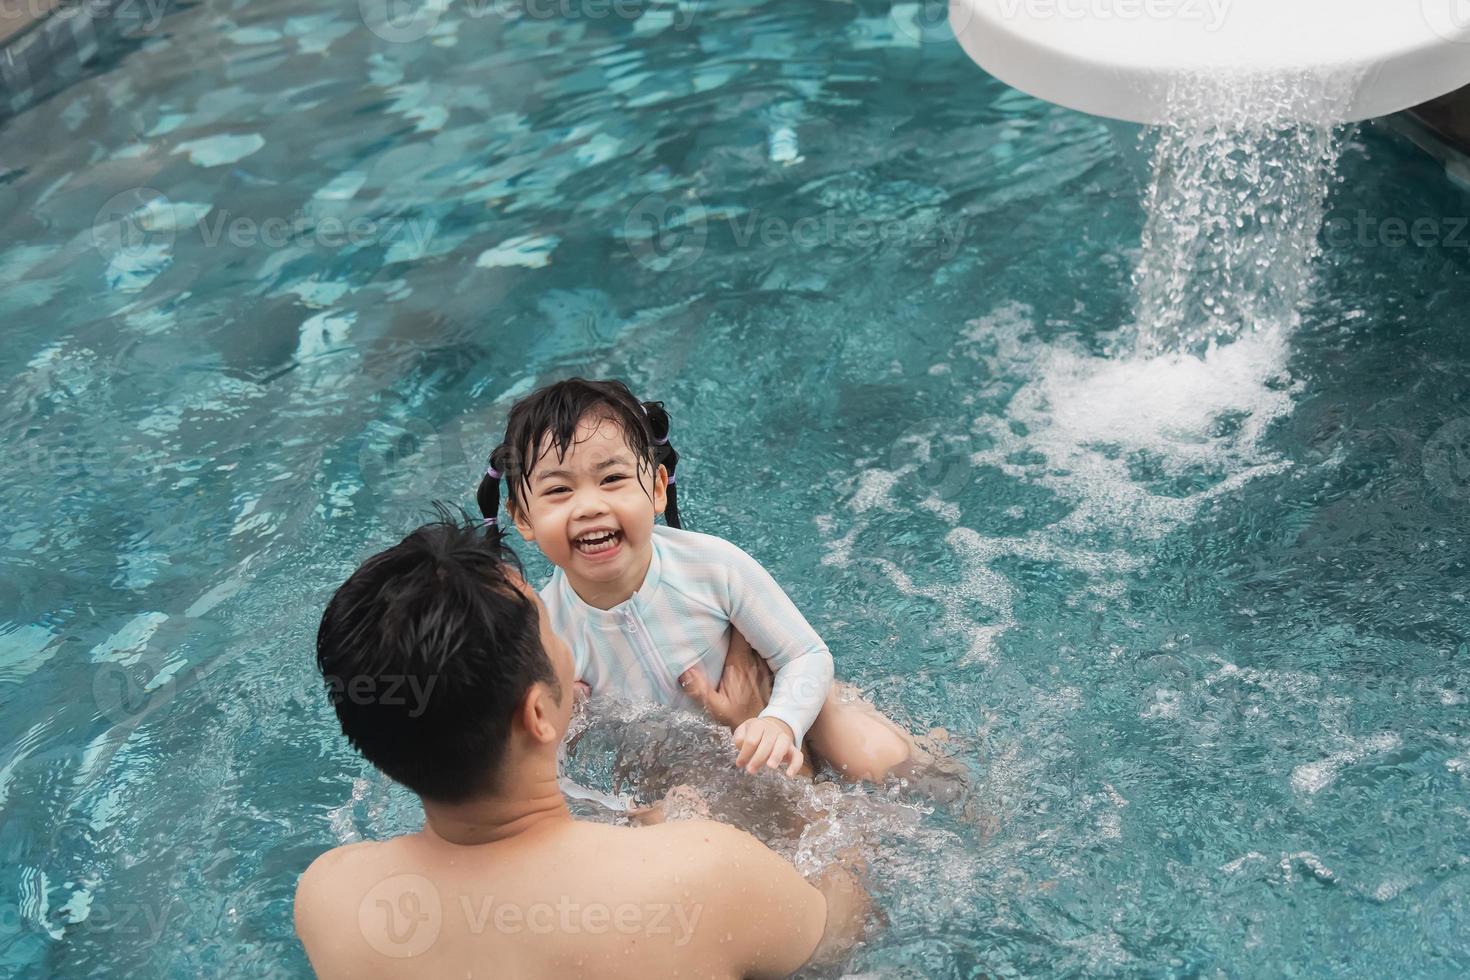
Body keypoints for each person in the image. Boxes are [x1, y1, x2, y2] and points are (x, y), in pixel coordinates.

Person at [297, 517, 869, 978]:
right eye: (551, 629)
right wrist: (798, 781)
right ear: (540, 714)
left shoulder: (333, 899)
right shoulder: (704, 870)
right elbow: (840, 937)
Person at [476, 377, 919, 782]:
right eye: (558, 490)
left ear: (656, 488)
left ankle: (950, 773)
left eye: (611, 478)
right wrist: (565, 727)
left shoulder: (711, 566)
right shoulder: (545, 633)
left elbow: (806, 655)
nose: (589, 506)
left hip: (784, 709)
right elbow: (538, 756)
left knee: (878, 756)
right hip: (683, 767)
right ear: (522, 517)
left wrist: (781, 720)